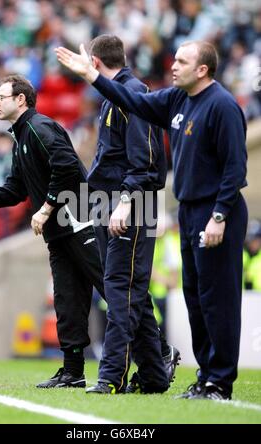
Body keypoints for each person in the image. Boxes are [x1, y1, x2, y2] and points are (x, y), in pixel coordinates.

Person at [55, 40, 248, 400]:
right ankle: (199, 377)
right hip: (187, 209)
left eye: (182, 61)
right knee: (194, 298)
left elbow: (235, 167)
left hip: (213, 212)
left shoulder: (221, 105)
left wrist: (220, 214)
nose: (173, 66)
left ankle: (218, 381)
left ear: (202, 69)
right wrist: (92, 76)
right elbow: (134, 101)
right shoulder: (176, 100)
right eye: (174, 59)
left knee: (215, 299)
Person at [0, 75, 105, 389]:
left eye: (2, 97)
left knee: (111, 287)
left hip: (81, 221)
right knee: (67, 301)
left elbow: (68, 166)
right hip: (58, 233)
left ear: (21, 100)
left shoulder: (39, 127)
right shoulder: (20, 137)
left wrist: (46, 207)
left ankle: (159, 350)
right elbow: (18, 189)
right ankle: (73, 371)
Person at [79, 35, 169, 395]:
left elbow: (145, 161)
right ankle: (153, 375)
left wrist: (126, 202)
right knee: (132, 292)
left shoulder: (133, 94)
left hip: (128, 204)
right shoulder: (117, 95)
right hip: (113, 202)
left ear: (96, 64)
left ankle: (111, 376)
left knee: (120, 288)